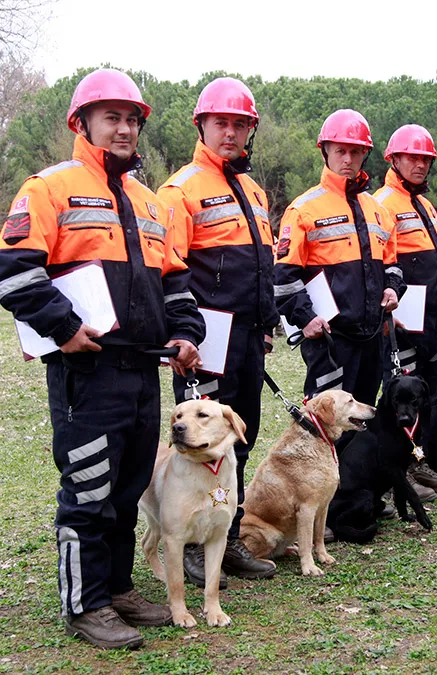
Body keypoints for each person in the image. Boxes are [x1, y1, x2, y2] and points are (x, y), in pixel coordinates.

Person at [0, 69, 206, 649]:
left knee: (129, 487)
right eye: (111, 117)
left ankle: (116, 589)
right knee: (88, 491)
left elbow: (176, 282)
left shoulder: (147, 199)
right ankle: (83, 604)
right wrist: (63, 329)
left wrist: (187, 334)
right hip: (85, 374)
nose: (124, 128)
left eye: (132, 119)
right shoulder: (49, 187)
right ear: (81, 122)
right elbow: (14, 273)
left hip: (144, 372)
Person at [158, 77, 278, 585]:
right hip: (205, 337)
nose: (230, 132)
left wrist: (268, 324)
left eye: (239, 124)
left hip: (249, 337)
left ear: (250, 130)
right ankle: (187, 546)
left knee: (237, 437)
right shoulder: (181, 188)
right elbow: (170, 266)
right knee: (194, 444)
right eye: (221, 123)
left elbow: (264, 262)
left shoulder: (253, 190)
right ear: (202, 125)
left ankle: (223, 538)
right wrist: (182, 334)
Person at [273, 109, 405, 410]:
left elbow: (393, 265)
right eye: (341, 151)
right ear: (326, 152)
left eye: (356, 152)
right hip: (330, 339)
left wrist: (393, 288)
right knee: (326, 421)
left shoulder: (378, 210)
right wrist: (305, 319)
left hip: (372, 337)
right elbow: (283, 277)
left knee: (362, 415)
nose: (348, 159)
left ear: (365, 155)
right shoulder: (303, 209)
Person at [373, 124, 437, 496]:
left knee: (428, 392)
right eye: (412, 158)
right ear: (393, 159)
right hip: (402, 316)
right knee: (402, 396)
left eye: (425, 159)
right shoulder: (383, 202)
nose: (420, 165)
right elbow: (381, 263)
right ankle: (398, 472)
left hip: (431, 316)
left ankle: (420, 463)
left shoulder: (424, 204)